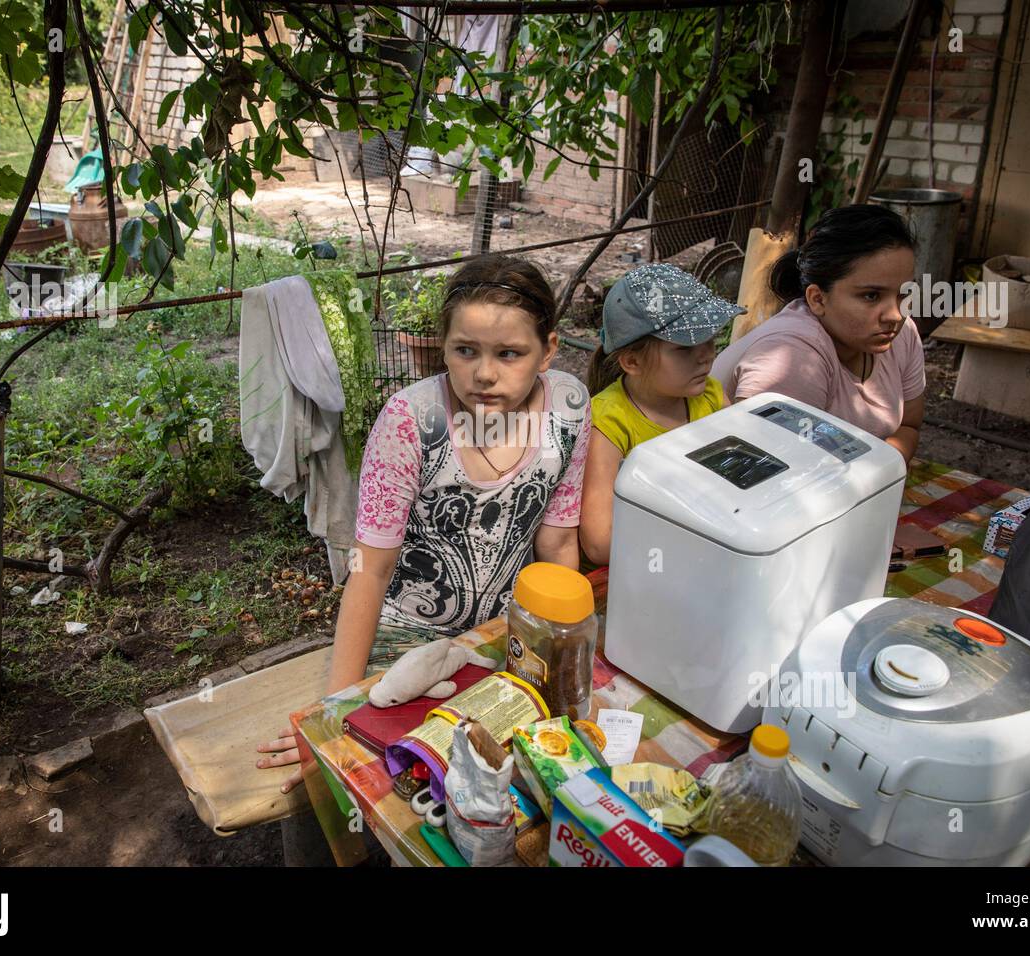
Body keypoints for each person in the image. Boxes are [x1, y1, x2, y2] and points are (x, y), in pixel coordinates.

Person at [257, 254, 591, 792]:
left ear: (549, 350)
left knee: (533, 774)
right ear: (444, 347)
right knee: (391, 779)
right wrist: (331, 717)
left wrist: (567, 649)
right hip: (406, 643)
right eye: (466, 351)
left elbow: (557, 540)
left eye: (510, 353)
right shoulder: (411, 421)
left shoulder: (570, 407)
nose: (484, 374)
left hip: (506, 635)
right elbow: (370, 569)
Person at [711, 204, 925, 461]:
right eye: (871, 295)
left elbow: (909, 425)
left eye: (904, 294)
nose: (895, 314)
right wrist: (882, 470)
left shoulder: (902, 335)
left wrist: (884, 469)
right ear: (817, 299)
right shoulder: (794, 358)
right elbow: (769, 471)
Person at [579, 263, 745, 567]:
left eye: (710, 337)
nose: (707, 354)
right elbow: (600, 543)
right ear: (632, 361)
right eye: (685, 347)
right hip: (636, 569)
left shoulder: (711, 395)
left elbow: (743, 471)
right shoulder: (608, 422)